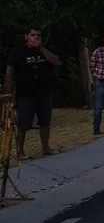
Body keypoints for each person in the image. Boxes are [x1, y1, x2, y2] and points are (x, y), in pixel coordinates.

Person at [5, 25, 61, 159]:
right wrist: (9, 91)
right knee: (22, 124)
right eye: (33, 35)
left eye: (38, 35)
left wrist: (41, 49)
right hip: (25, 93)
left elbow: (56, 62)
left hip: (43, 92)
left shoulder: (44, 51)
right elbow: (9, 71)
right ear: (26, 37)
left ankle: (46, 148)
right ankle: (20, 152)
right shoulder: (18, 51)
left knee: (45, 121)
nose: (36, 38)